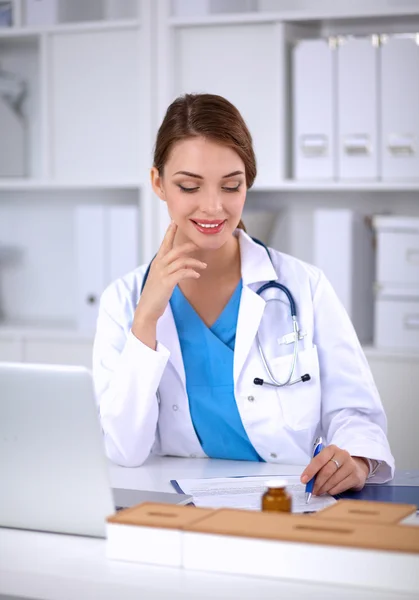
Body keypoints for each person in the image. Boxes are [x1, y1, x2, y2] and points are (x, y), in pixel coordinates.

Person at [93, 93, 394, 497]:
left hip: (287, 503)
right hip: (179, 508)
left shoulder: (304, 286)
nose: (213, 207)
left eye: (231, 186)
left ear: (247, 183)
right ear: (158, 183)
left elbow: (355, 413)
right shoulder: (124, 301)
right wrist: (145, 321)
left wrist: (356, 459)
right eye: (189, 186)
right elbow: (124, 449)